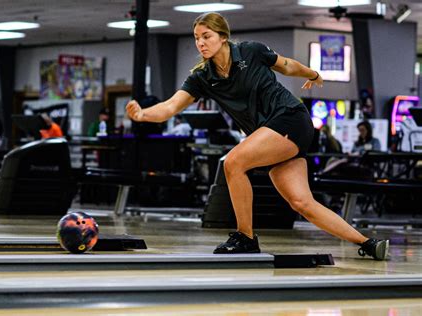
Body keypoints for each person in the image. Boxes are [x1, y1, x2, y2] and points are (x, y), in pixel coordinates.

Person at [126, 12, 388, 260]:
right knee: (301, 202)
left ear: (223, 36)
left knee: (234, 162)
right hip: (272, 137)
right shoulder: (202, 77)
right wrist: (142, 114)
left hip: (290, 118)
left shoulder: (251, 51)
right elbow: (170, 107)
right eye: (196, 37)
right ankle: (368, 243)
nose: (200, 42)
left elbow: (286, 66)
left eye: (206, 36)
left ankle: (245, 237)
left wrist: (313, 74)